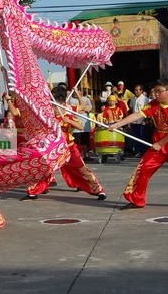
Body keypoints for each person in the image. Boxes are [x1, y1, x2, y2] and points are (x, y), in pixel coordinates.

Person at [22, 87, 106, 201]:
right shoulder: (47, 114)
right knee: (44, 167)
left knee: (81, 168)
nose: (52, 105)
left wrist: (69, 121)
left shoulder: (68, 111)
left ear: (61, 101)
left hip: (69, 146)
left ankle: (98, 190)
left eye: (55, 103)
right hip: (53, 146)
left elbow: (81, 126)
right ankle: (32, 191)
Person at [109, 80, 168, 209]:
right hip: (158, 145)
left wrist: (160, 143)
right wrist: (118, 124)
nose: (156, 94)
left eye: (159, 91)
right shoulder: (153, 104)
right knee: (143, 169)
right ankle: (137, 199)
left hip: (162, 143)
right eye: (155, 91)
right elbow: (137, 115)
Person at [128, 84, 151, 157]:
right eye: (135, 90)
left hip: (142, 121)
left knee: (142, 137)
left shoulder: (145, 99)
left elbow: (148, 110)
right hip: (134, 121)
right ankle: (138, 151)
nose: (136, 91)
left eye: (138, 90)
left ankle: (144, 152)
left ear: (141, 91)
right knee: (136, 137)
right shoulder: (132, 99)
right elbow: (131, 109)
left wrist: (146, 120)